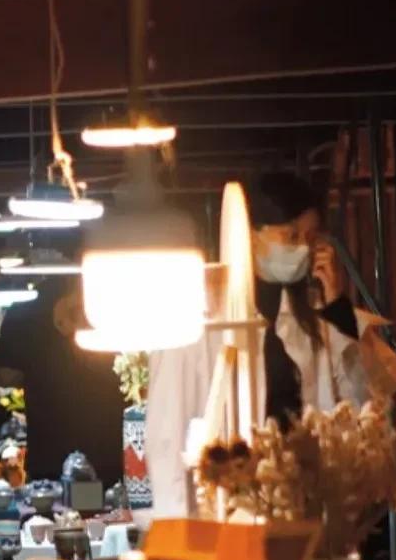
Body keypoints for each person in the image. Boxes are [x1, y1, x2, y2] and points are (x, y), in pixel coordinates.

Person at [144, 172, 380, 517]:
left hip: (299, 505)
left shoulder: (311, 319)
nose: (303, 248)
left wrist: (338, 311)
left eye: (310, 238)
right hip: (226, 507)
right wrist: (178, 523)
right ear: (252, 235)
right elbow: (166, 434)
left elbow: (361, 405)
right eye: (291, 235)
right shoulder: (202, 317)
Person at [0, 277, 125, 484]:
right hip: (112, 453)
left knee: (50, 504)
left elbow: (5, 376)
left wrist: (42, 370)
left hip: (50, 456)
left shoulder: (23, 312)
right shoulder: (116, 306)